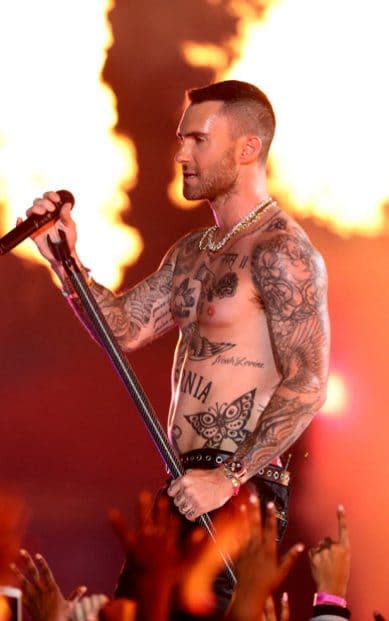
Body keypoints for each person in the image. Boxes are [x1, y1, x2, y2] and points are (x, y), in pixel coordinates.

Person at [25, 79, 329, 599]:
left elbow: (309, 383)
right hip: (181, 485)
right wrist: (65, 262)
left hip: (239, 493)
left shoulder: (282, 251)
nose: (180, 153)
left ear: (247, 148)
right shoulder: (193, 252)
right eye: (180, 138)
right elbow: (124, 328)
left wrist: (229, 478)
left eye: (198, 140)